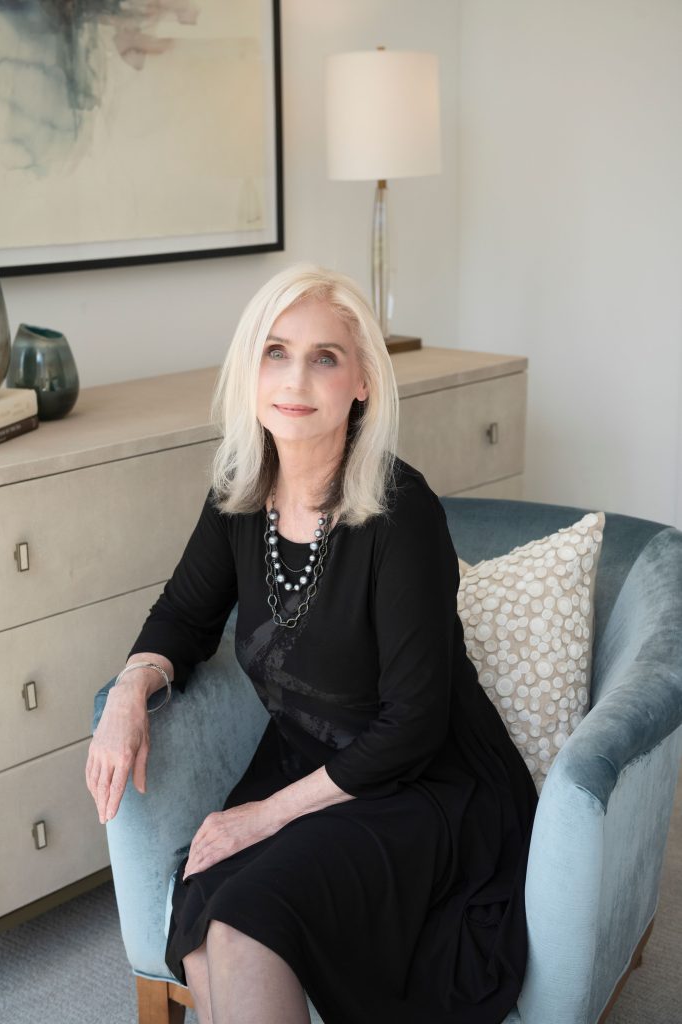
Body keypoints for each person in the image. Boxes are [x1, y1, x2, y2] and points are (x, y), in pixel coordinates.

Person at [86, 263, 539, 1024]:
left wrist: (263, 817)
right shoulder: (240, 490)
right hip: (309, 764)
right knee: (202, 914)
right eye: (276, 351)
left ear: (361, 379)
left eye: (325, 356)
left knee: (245, 918)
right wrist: (131, 690)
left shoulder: (402, 512)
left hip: (421, 785)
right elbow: (183, 618)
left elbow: (415, 726)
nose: (296, 378)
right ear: (249, 369)